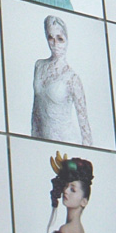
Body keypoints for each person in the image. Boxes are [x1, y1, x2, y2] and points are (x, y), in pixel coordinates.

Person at [30, 15, 92, 145]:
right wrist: (34, 140)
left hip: (67, 142)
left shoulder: (72, 78)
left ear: (67, 39)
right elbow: (36, 110)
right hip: (42, 141)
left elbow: (84, 122)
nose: (55, 44)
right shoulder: (39, 66)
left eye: (60, 39)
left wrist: (87, 151)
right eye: (50, 38)